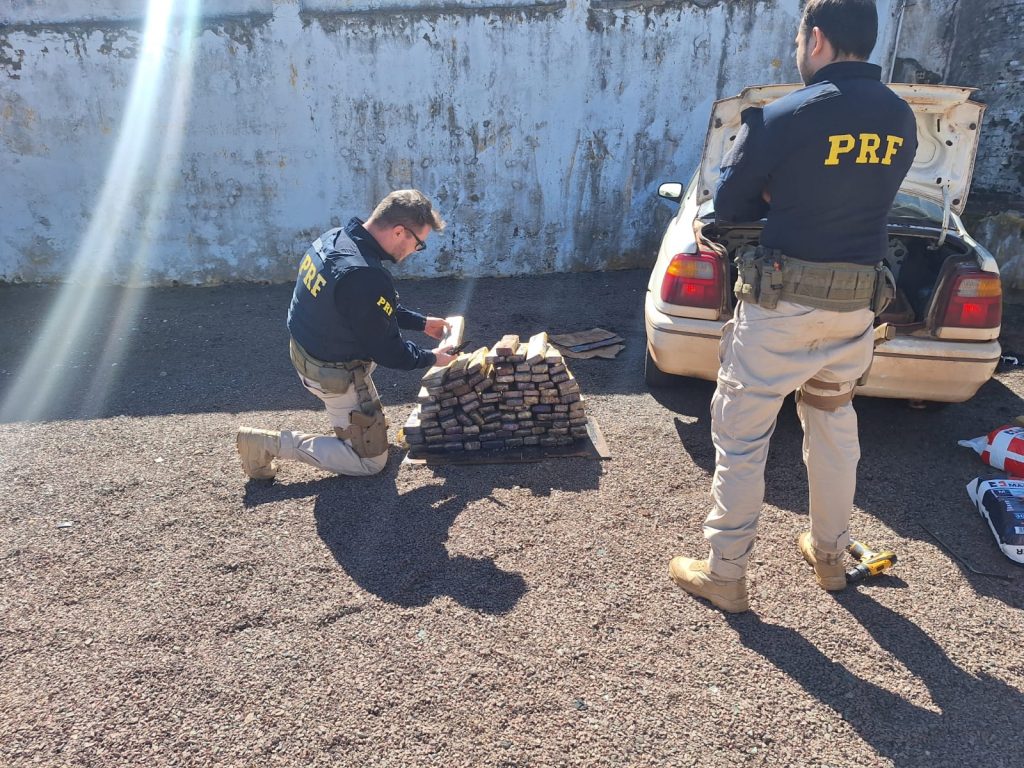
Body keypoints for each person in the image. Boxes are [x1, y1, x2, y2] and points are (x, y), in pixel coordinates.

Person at [668, 0, 918, 612]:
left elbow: (728, 208)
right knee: (833, 426)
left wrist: (777, 194)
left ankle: (726, 572)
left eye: (800, 38)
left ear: (819, 40)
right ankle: (831, 555)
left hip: (781, 305)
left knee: (743, 433)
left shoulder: (782, 117)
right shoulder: (902, 118)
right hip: (857, 306)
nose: (798, 48)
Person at [236, 189, 457, 480]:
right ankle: (268, 444)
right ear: (400, 231)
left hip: (308, 350)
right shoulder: (365, 275)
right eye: (419, 244)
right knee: (371, 463)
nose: (415, 251)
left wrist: (421, 322)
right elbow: (388, 350)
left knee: (366, 426)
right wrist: (431, 357)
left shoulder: (336, 239)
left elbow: (368, 306)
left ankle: (355, 424)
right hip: (332, 373)